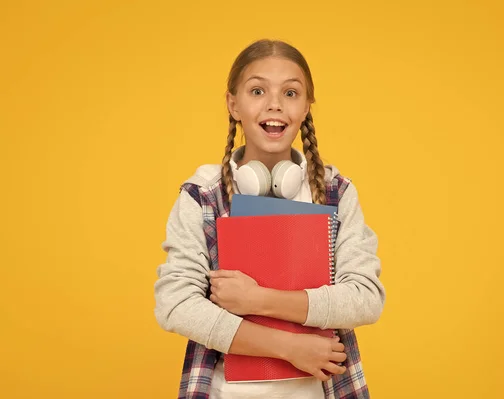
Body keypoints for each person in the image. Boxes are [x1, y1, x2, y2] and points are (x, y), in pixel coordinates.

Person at [154, 39, 385, 399]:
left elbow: (365, 298)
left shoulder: (336, 191)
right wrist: (289, 347)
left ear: (307, 107)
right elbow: (176, 304)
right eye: (258, 90)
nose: (274, 104)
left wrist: (258, 299)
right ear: (234, 104)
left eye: (291, 93)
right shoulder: (204, 195)